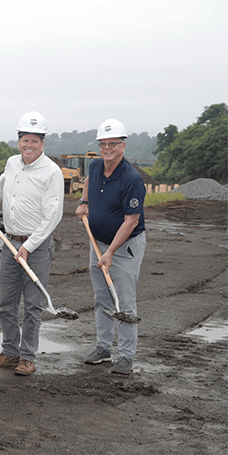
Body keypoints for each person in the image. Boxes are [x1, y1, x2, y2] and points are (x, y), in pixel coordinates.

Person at [0, 111, 63, 377]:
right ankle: (10, 352)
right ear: (18, 141)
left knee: (33, 304)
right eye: (25, 140)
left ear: (42, 143)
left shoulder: (52, 172)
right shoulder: (12, 163)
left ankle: (27, 357)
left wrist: (30, 246)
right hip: (9, 243)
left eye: (35, 141)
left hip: (35, 247)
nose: (29, 145)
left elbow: (53, 216)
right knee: (7, 303)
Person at [76, 118, 146, 375]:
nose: (107, 148)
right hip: (99, 243)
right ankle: (103, 348)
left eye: (112, 144)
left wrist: (111, 252)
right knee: (102, 298)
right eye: (103, 144)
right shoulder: (95, 167)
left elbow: (131, 222)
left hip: (124, 247)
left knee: (125, 303)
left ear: (123, 146)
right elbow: (88, 181)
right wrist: (84, 201)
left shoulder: (132, 179)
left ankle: (126, 356)